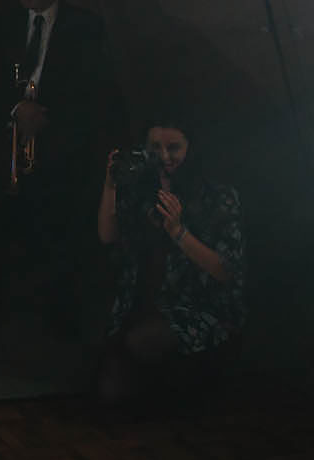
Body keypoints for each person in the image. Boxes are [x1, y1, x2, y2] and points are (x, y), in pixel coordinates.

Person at [0, 0, 114, 331]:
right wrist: (15, 110)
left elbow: (93, 91)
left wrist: (46, 117)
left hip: (60, 145)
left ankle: (59, 315)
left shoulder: (85, 26)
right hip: (8, 142)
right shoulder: (3, 24)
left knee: (59, 230)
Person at [96, 115, 246, 405]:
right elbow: (107, 235)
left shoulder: (218, 197)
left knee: (137, 355)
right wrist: (111, 185)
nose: (164, 157)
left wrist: (179, 232)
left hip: (194, 305)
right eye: (155, 147)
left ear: (190, 147)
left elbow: (226, 269)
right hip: (142, 298)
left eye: (174, 147)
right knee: (106, 385)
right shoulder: (142, 188)